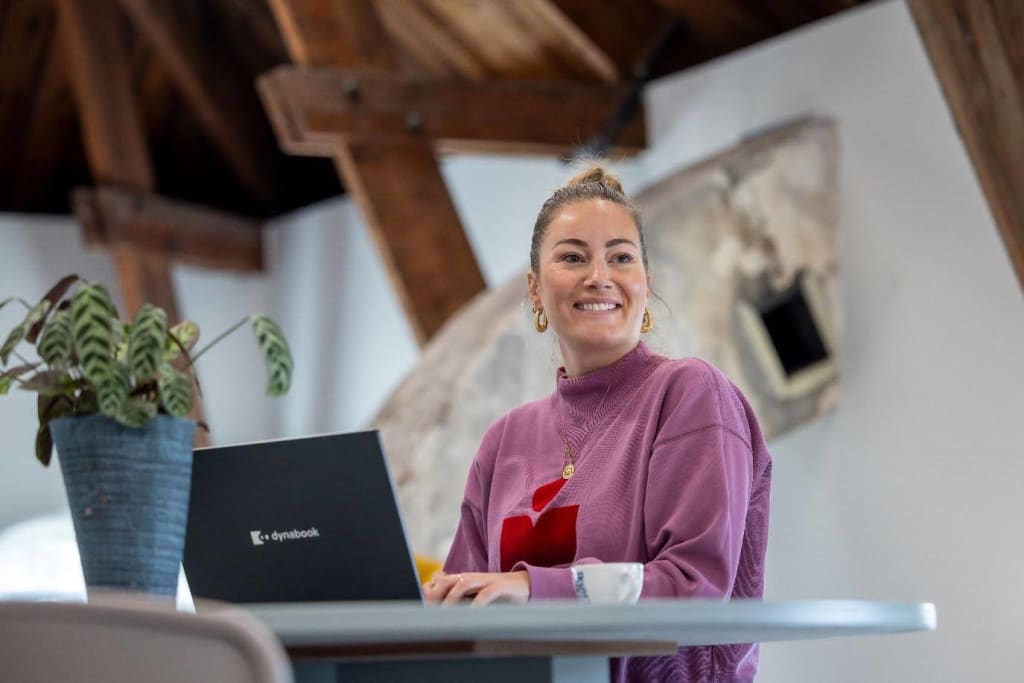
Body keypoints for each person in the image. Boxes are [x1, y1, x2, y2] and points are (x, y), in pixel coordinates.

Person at [423, 166, 773, 682]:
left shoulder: (691, 394)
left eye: (620, 257)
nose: (599, 276)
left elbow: (695, 584)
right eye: (572, 257)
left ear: (645, 286)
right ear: (536, 290)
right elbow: (462, 602)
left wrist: (532, 588)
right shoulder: (504, 441)